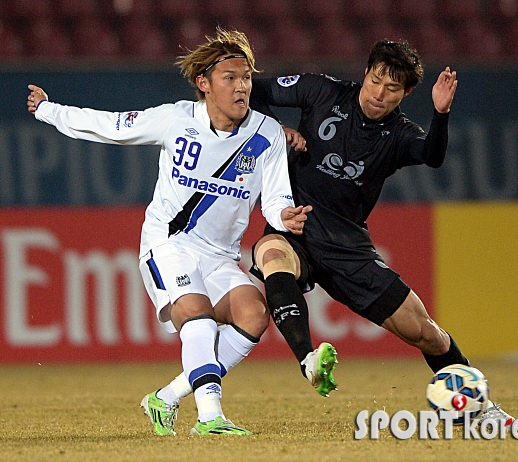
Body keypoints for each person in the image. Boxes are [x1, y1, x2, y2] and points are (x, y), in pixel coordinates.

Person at [154, 39, 514, 428]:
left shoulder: (398, 135)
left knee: (427, 334)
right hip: (295, 225)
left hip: (348, 247)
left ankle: (473, 409)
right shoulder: (321, 91)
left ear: (406, 93)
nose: (379, 93)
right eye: (376, 80)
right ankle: (308, 358)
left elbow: (432, 154)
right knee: (272, 255)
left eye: (392, 88)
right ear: (366, 73)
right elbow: (254, 90)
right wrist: (277, 129)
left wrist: (441, 113)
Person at [27, 27, 311, 437]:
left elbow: (275, 198)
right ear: (204, 84)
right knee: (197, 317)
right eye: (229, 78)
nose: (241, 87)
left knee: (253, 315)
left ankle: (167, 396)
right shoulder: (176, 119)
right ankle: (211, 417)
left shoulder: (266, 133)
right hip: (168, 243)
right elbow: (110, 126)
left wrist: (285, 217)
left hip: (218, 253)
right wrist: (48, 111)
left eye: (246, 78)